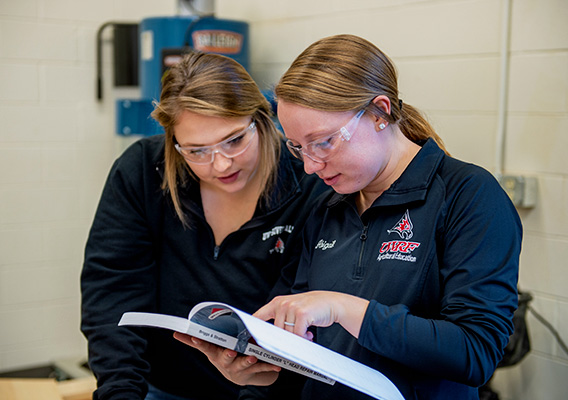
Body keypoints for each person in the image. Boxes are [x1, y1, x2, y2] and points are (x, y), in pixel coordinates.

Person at [182, 34, 522, 400]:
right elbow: (301, 355)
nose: (311, 166)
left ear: (380, 111)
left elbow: (474, 353)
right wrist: (254, 373)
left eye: (324, 142)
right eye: (297, 148)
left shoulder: (467, 196)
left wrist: (344, 308)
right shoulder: (327, 208)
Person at [80, 51, 330, 400]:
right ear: (174, 143)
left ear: (261, 117)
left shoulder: (310, 185)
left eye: (234, 139)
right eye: (196, 151)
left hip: (269, 392)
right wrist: (120, 390)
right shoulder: (141, 171)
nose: (221, 164)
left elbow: (299, 319)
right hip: (158, 386)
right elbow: (112, 291)